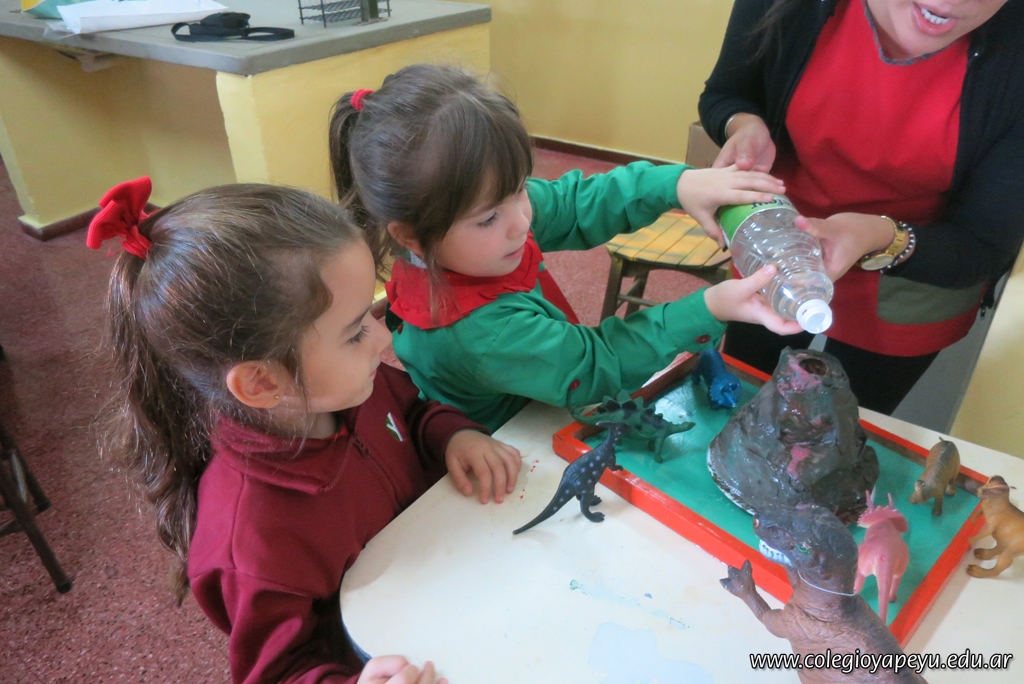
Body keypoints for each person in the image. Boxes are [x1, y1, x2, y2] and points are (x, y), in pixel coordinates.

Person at [91, 178, 522, 684]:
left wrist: (452, 435)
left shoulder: (345, 386)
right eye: (355, 332)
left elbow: (413, 411)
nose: (382, 336)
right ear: (261, 382)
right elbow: (281, 672)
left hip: (460, 581)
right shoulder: (249, 542)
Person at [329, 64, 803, 432]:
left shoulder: (471, 224)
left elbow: (575, 203)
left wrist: (677, 184)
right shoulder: (477, 332)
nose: (522, 220)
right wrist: (710, 307)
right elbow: (597, 365)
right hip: (515, 446)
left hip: (544, 400)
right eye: (490, 217)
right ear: (411, 237)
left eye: (519, 188)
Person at [699, 0, 1024, 414]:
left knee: (839, 430)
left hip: (918, 273)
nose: (947, 4)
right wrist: (743, 124)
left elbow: (983, 245)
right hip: (781, 248)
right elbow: (727, 93)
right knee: (741, 401)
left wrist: (880, 237)